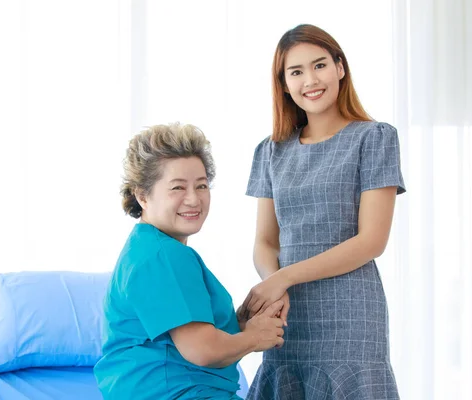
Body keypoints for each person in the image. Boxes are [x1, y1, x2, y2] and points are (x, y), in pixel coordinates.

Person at [240, 24, 406, 399]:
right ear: (283, 84)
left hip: (351, 314)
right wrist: (274, 283)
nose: (310, 80)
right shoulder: (269, 151)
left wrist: (283, 279)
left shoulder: (374, 138)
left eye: (319, 65)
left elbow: (371, 241)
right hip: (287, 316)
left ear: (340, 68)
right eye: (296, 72)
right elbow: (265, 242)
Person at [94, 122, 286, 400]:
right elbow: (202, 350)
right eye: (177, 188)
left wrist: (239, 325)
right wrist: (255, 338)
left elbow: (178, 338)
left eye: (202, 186)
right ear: (142, 196)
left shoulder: (148, 247)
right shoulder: (163, 255)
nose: (194, 199)